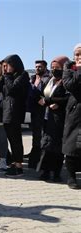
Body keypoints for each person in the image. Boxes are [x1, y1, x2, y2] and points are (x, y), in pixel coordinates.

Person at [37, 56, 69, 182]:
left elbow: (68, 98)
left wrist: (53, 102)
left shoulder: (67, 81)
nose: (54, 70)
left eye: (58, 68)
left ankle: (56, 173)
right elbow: (44, 95)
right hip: (47, 117)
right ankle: (45, 171)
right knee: (46, 145)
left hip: (59, 119)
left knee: (57, 147)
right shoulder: (50, 80)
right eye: (53, 68)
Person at [0, 54, 30, 177]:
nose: (6, 68)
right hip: (7, 112)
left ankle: (18, 166)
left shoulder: (23, 75)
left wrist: (7, 75)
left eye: (8, 65)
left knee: (16, 140)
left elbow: (12, 89)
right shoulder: (9, 77)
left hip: (14, 112)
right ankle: (14, 162)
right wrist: (2, 75)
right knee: (12, 140)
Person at [62, 44, 81, 189]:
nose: (79, 57)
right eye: (77, 54)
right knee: (72, 145)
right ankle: (71, 176)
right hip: (75, 112)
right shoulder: (69, 70)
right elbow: (70, 85)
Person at [28, 60, 52, 168]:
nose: (38, 68)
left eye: (40, 67)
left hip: (44, 110)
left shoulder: (49, 78)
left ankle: (41, 160)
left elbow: (48, 92)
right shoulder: (33, 78)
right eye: (36, 66)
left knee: (43, 135)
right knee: (35, 134)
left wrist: (42, 99)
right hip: (34, 110)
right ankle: (34, 155)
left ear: (45, 67)